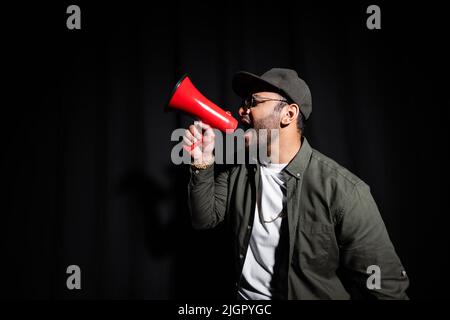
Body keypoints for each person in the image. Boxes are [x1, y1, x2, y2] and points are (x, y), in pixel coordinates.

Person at [183, 68, 409, 300]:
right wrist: (202, 162)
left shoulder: (345, 191)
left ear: (289, 115)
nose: (241, 110)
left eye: (253, 102)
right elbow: (204, 218)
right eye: (243, 102)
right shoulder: (239, 167)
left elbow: (386, 289)